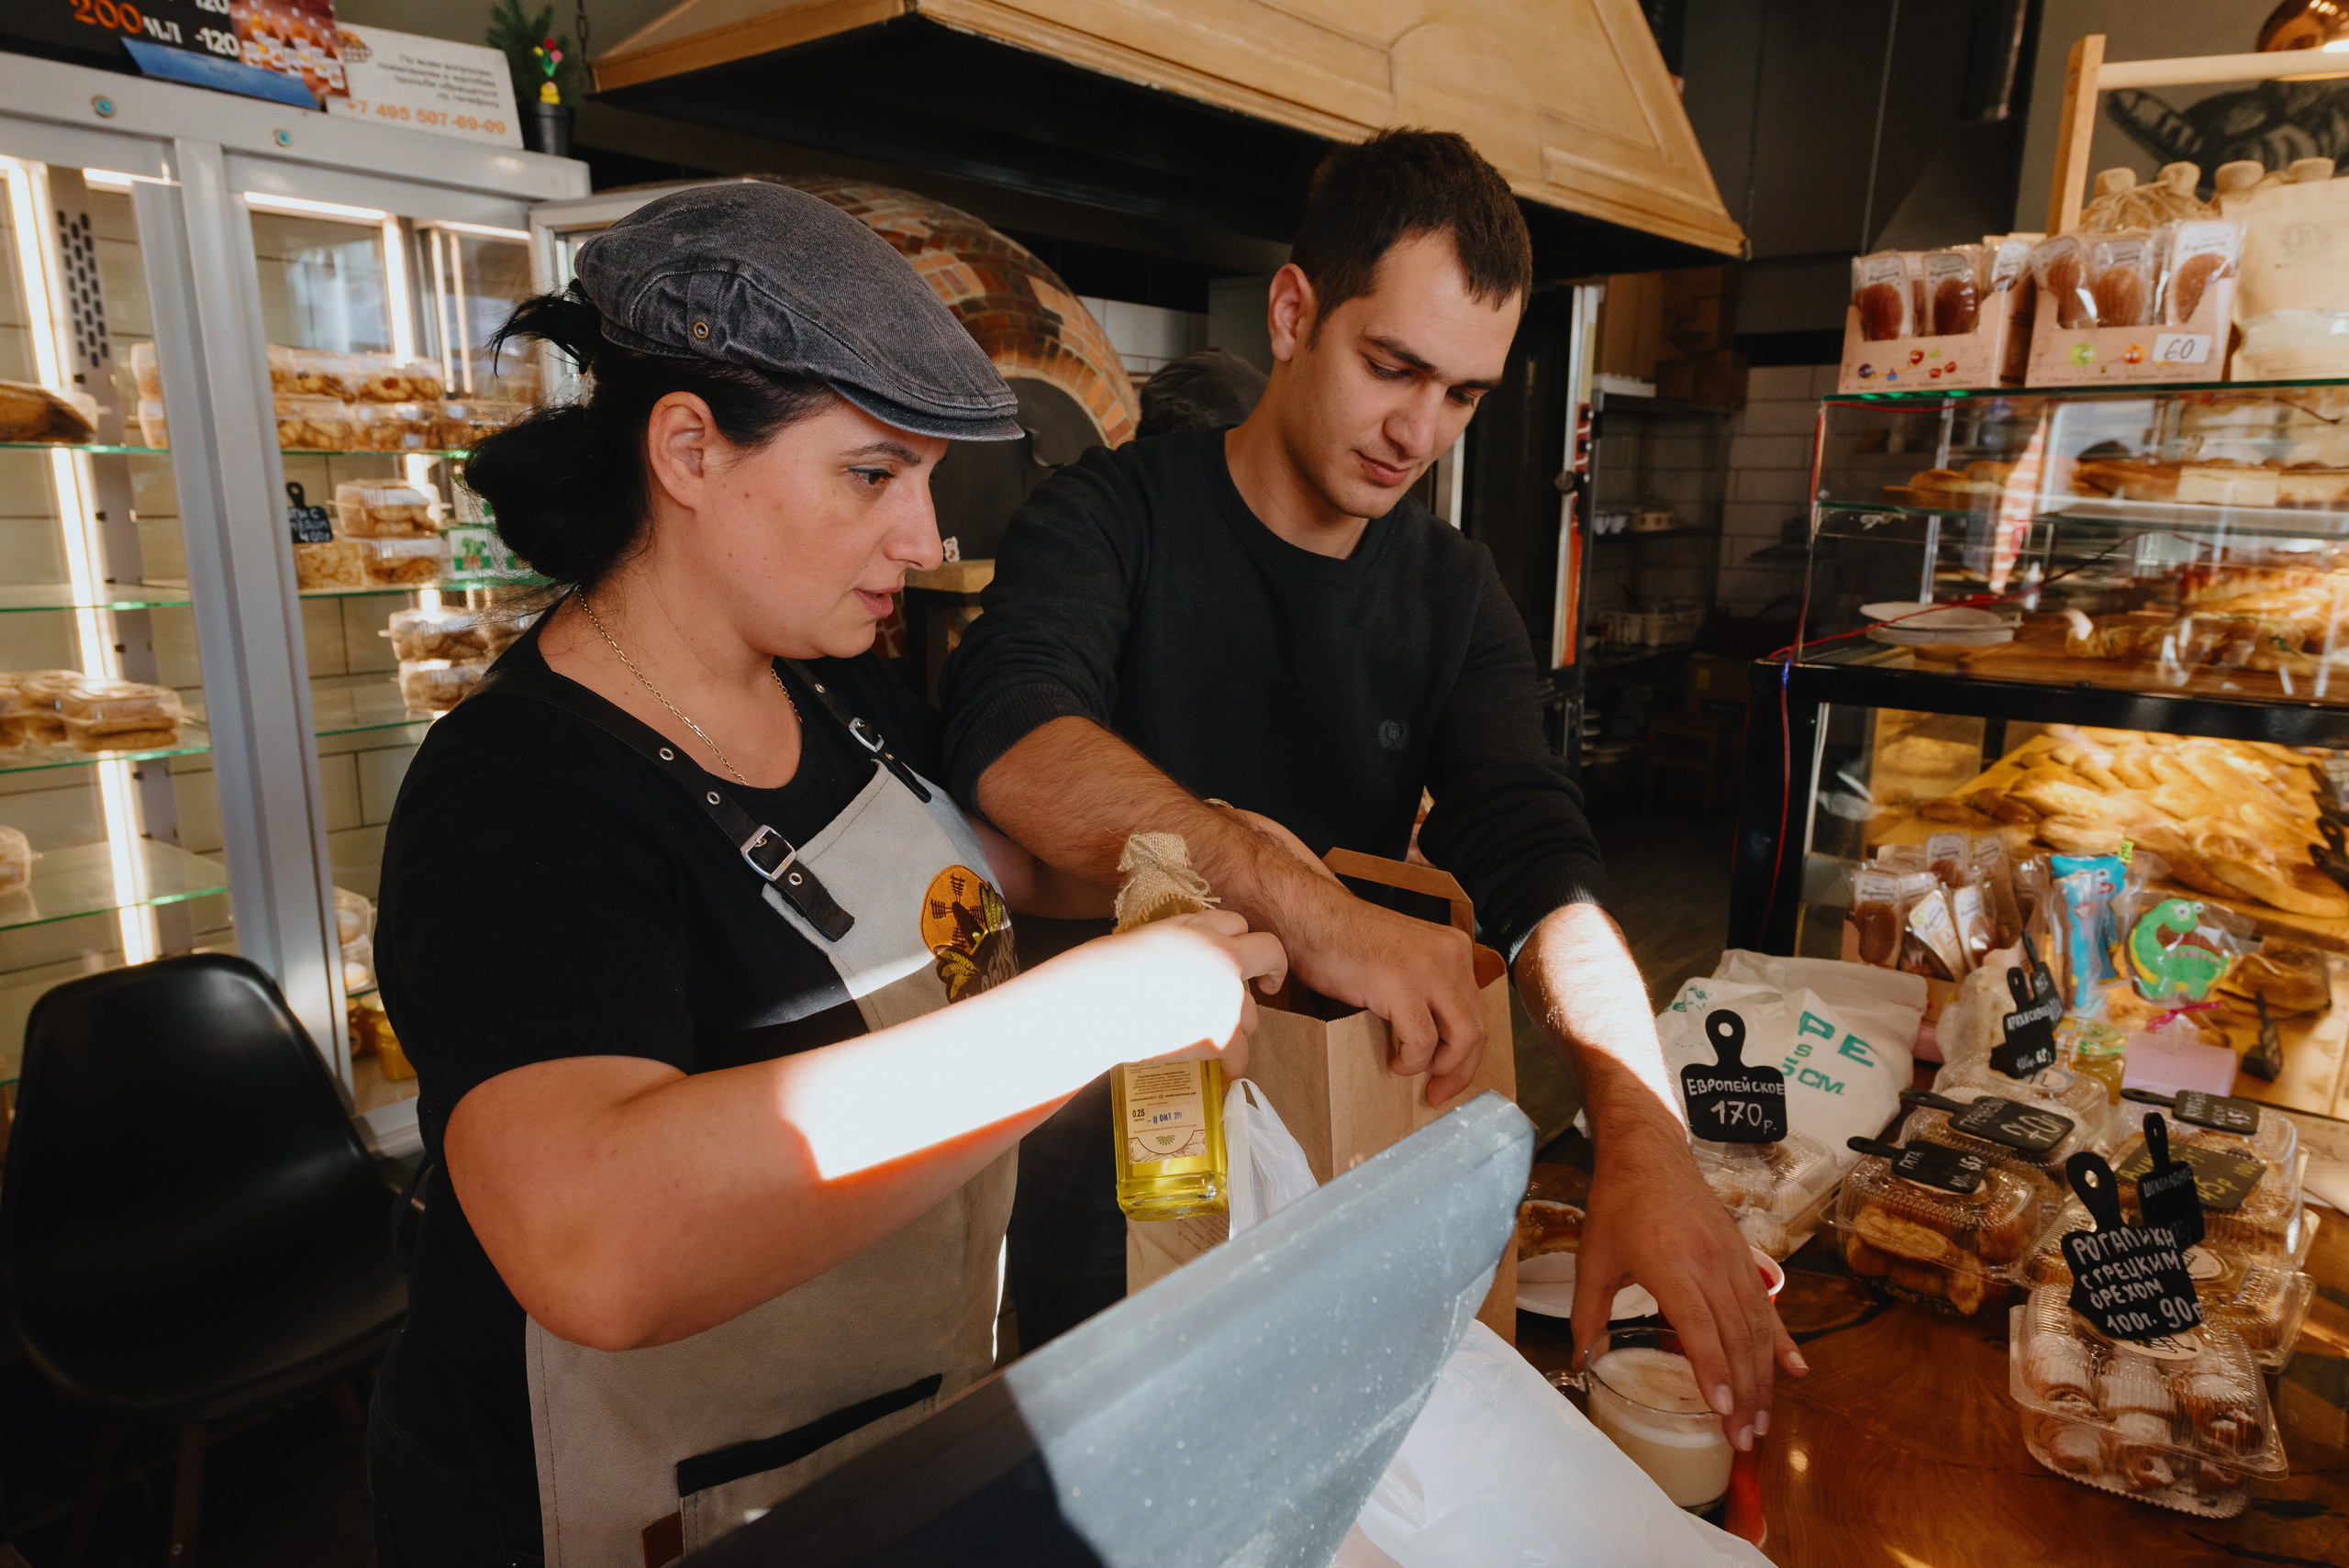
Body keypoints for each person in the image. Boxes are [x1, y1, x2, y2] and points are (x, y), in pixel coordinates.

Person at [366, 183, 1285, 1568]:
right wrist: (1107, 1008)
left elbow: (995, 866)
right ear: (687, 448)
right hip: (613, 1509)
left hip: (879, 1442)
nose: (926, 539)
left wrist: (1204, 866)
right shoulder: (518, 793)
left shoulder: (834, 691)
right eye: (875, 473)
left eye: (923, 480)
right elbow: (597, 1236)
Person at [941, 129, 1804, 1451]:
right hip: (1112, 1167)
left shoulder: (1450, 591)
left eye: (1462, 394)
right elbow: (1015, 741)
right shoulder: (1114, 518)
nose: (1420, 431)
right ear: (1295, 313)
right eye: (1391, 366)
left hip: (1347, 1151)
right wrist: (1320, 911)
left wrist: (1638, 1115)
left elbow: (1534, 857)